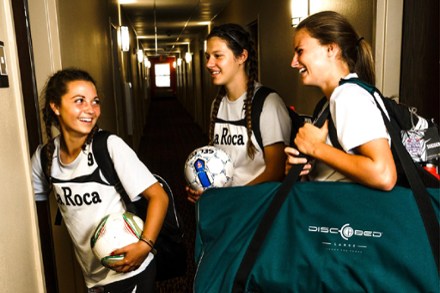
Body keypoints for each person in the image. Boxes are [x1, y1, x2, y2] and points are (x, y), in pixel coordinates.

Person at [31, 68, 169, 292]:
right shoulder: (44, 157)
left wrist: (144, 246)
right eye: (79, 101)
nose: (90, 109)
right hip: (93, 278)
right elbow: (33, 210)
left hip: (131, 268)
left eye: (95, 101)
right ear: (55, 106)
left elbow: (159, 197)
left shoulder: (108, 146)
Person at [285, 11, 397, 191]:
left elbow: (383, 174)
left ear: (331, 49)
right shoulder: (327, 104)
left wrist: (315, 148)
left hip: (349, 215)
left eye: (300, 51)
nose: (293, 63)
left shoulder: (349, 96)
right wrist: (303, 169)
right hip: (330, 212)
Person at [187, 23, 292, 202]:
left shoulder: (267, 103)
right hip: (227, 207)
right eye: (207, 57)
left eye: (218, 56)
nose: (209, 64)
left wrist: (234, 197)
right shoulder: (217, 104)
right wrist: (204, 189)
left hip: (257, 207)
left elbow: (276, 171)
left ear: (242, 56)